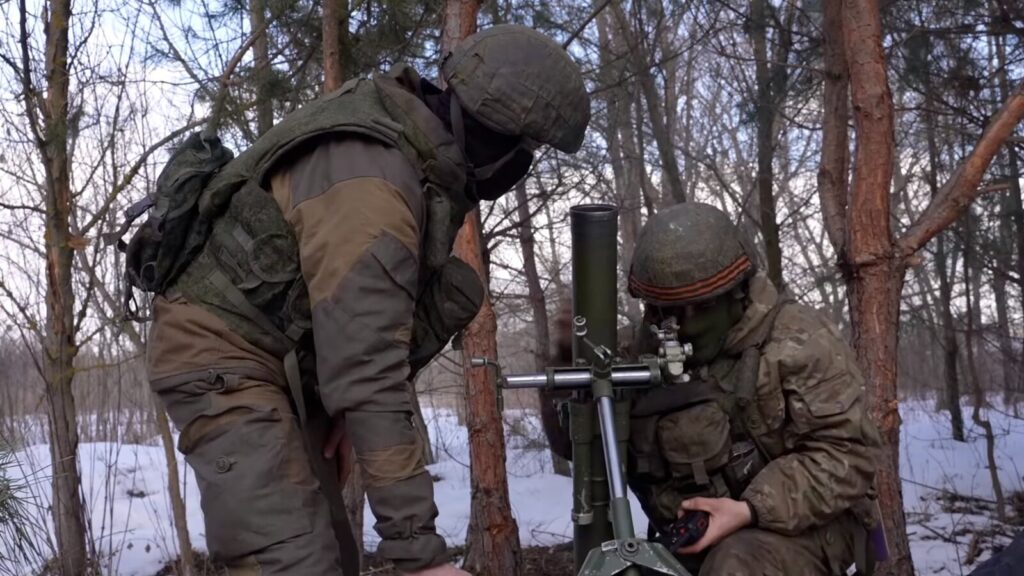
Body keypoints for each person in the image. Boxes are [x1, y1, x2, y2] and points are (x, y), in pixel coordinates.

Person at [143, 25, 590, 576]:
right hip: (218, 352)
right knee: (292, 562)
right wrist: (420, 555)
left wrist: (345, 411)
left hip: (288, 358)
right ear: (500, 137)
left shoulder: (413, 150)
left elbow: (362, 341)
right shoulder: (373, 186)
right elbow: (368, 369)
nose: (523, 167)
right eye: (528, 151)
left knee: (332, 553)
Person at [544, 201, 884, 575]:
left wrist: (748, 510)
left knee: (735, 565)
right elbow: (580, 449)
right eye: (658, 311)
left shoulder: (798, 343)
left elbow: (848, 455)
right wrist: (567, 371)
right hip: (693, 536)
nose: (669, 326)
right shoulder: (637, 355)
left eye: (689, 310)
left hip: (807, 526)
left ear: (733, 295)